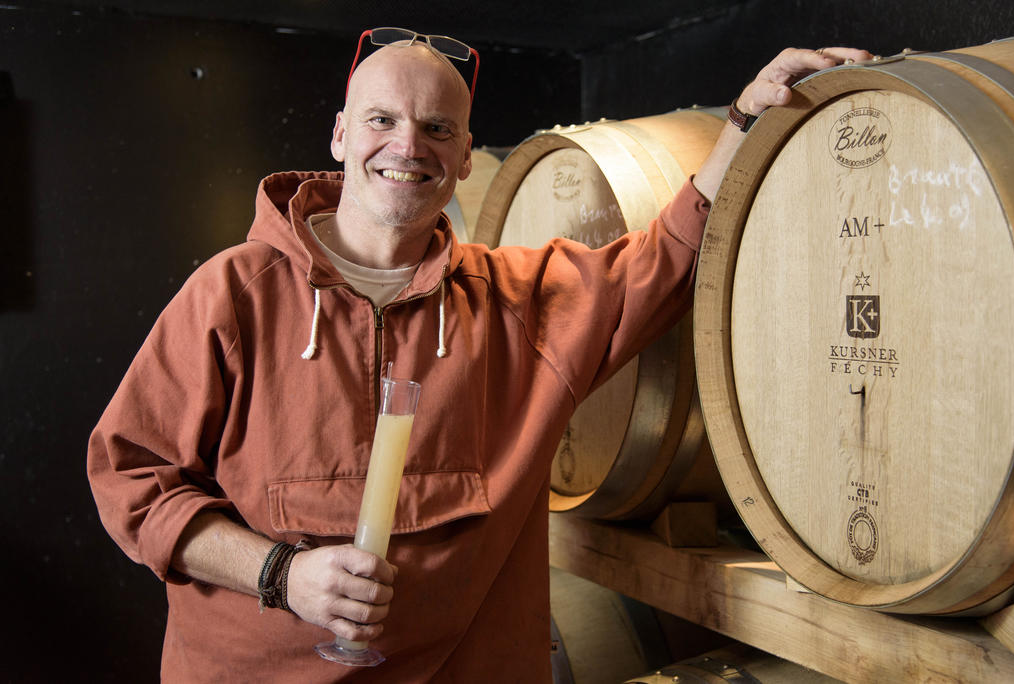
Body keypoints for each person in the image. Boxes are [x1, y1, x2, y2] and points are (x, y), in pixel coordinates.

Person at [87, 27, 871, 682]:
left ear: (465, 156)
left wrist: (742, 119)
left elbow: (663, 263)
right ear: (337, 134)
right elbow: (131, 483)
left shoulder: (518, 305)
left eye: (437, 128)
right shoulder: (234, 293)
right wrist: (280, 575)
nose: (408, 145)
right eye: (382, 120)